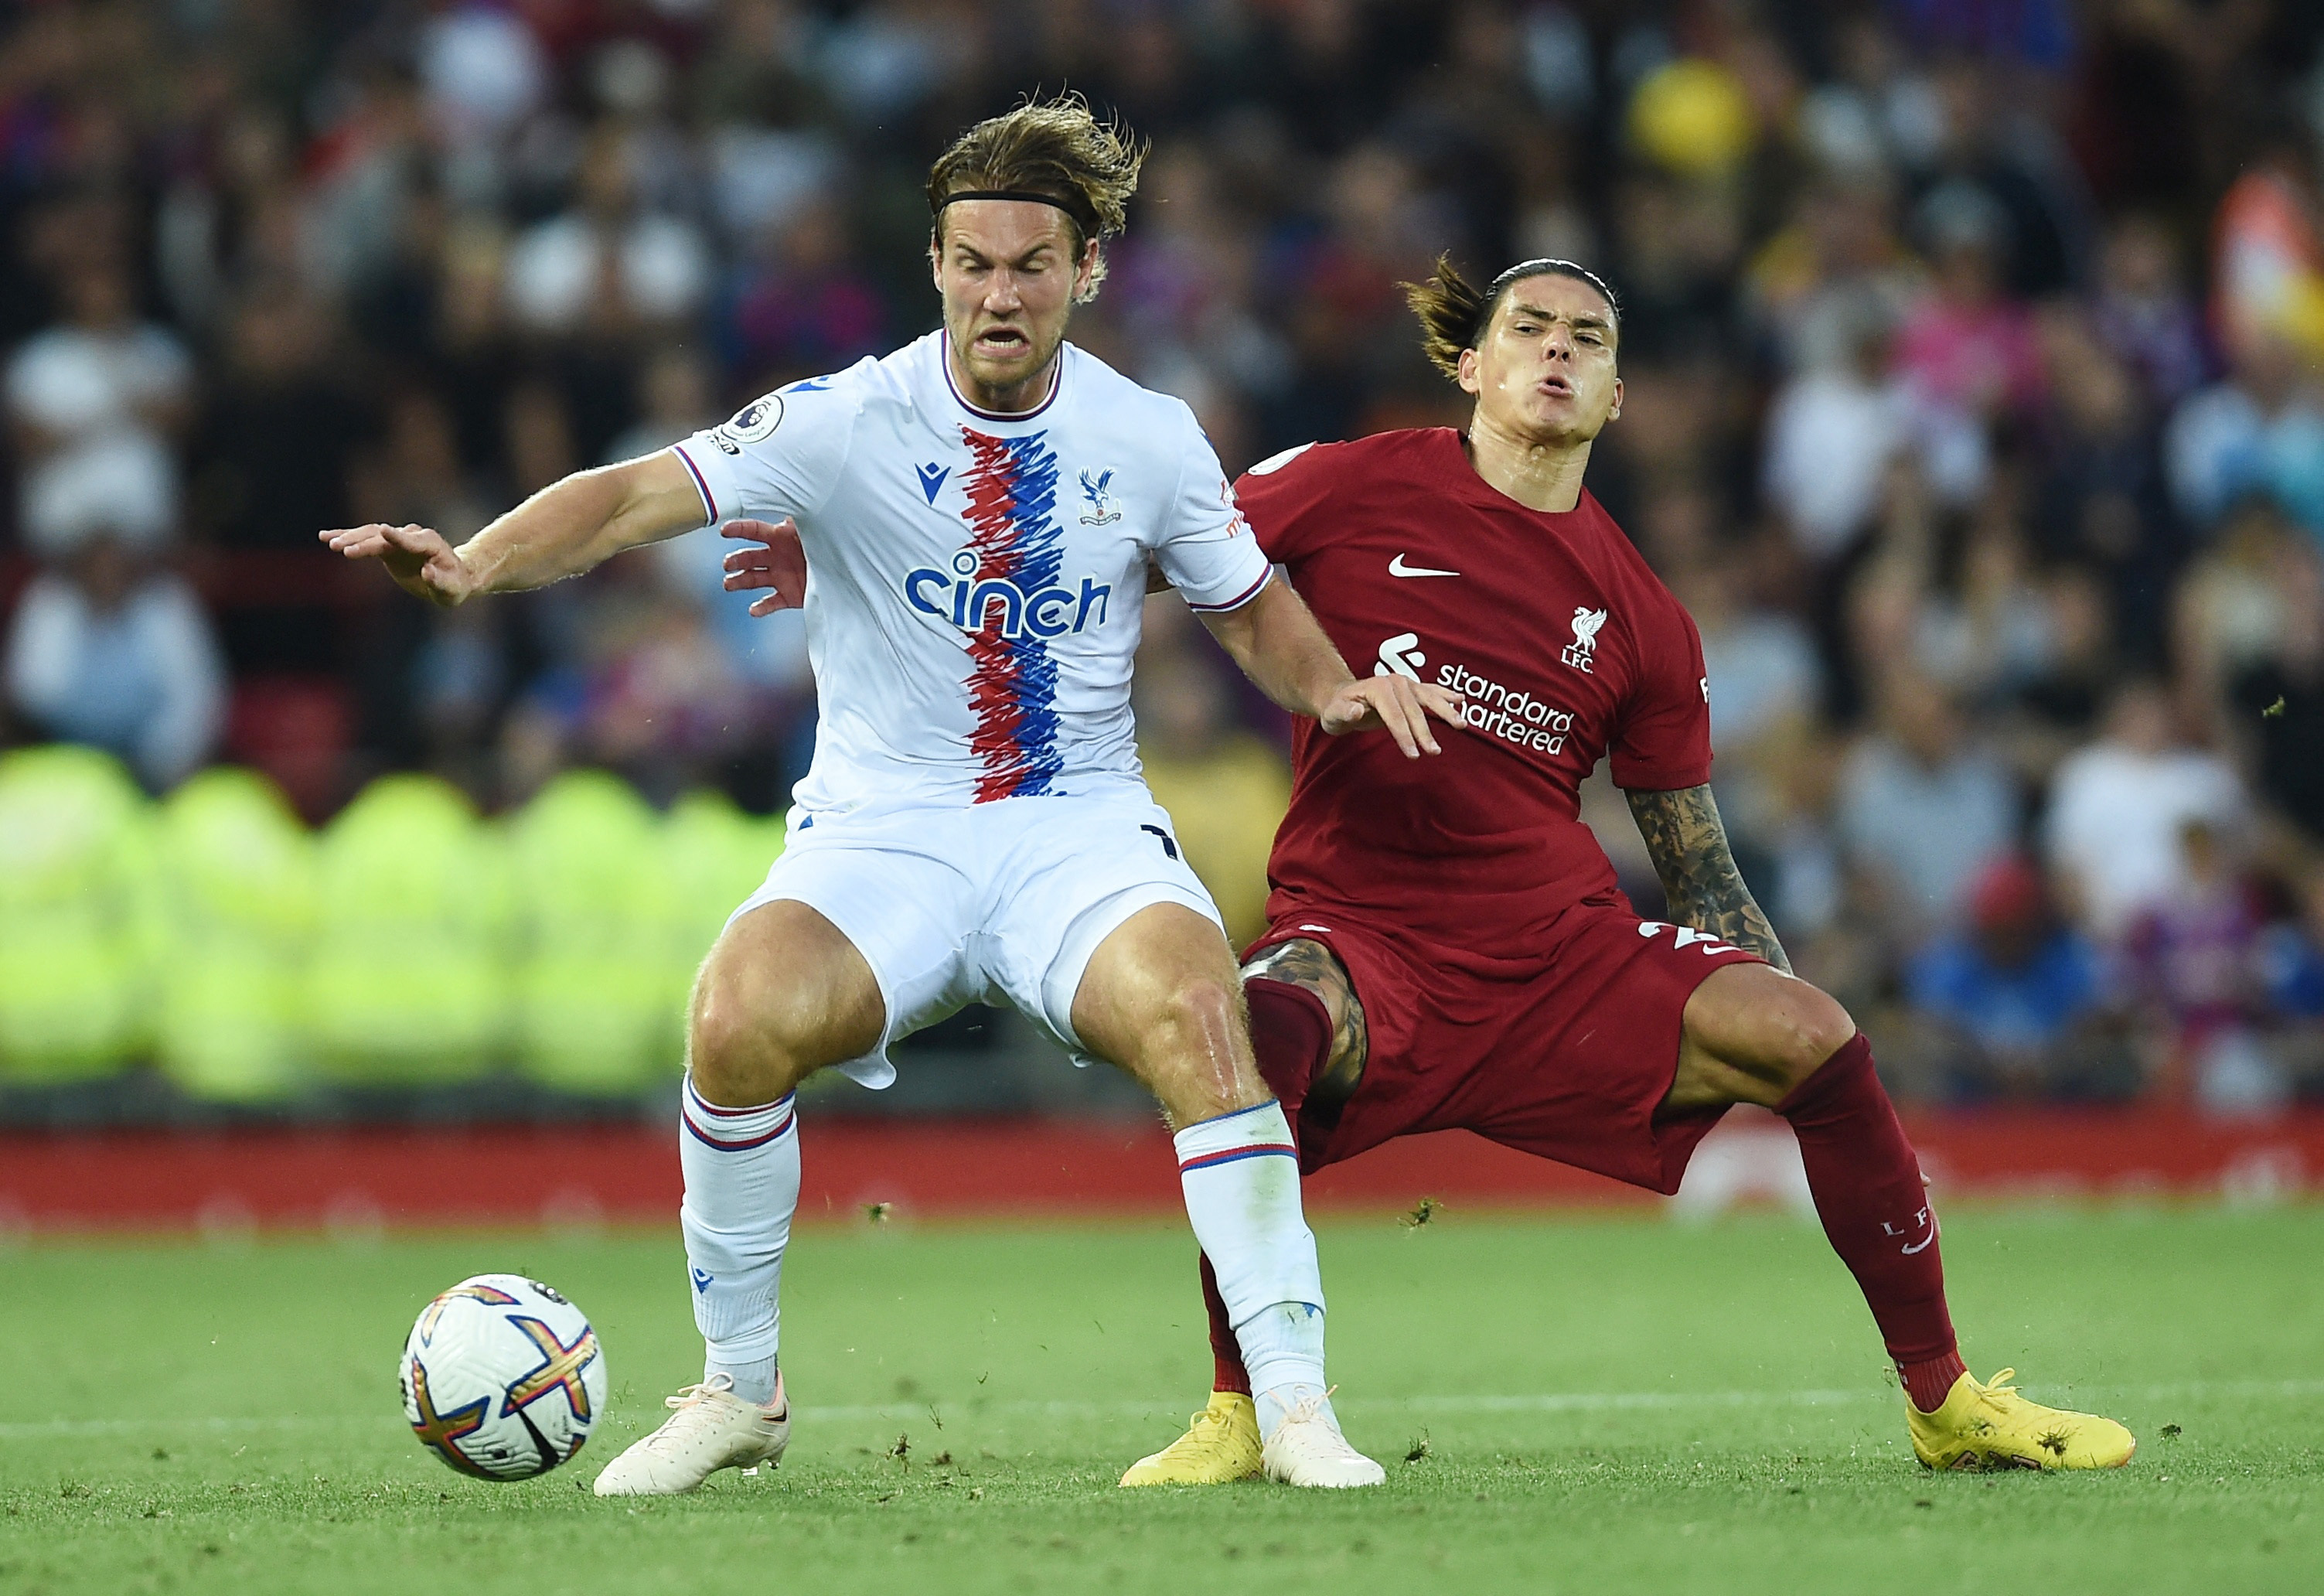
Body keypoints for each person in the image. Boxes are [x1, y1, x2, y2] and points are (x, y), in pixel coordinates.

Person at [739, 254, 2142, 1481]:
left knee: (1817, 1041)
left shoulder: (1639, 611)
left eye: (1587, 341)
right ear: (1470, 363)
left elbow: (1689, 850)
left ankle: (1944, 1402)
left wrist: (1753, 971)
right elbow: (1124, 544)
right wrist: (871, 555)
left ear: (1614, 398)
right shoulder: (1346, 484)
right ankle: (1243, 1413)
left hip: (1556, 960)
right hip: (1364, 937)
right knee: (1260, 1025)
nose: (1556, 351)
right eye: (1530, 327)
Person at [325, 96, 1463, 1495]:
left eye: (1030, 264)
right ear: (932, 265)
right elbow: (631, 498)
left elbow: (1248, 607)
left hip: (1078, 825)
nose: (1000, 292)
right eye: (973, 262)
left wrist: (1333, 687)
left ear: (1085, 272)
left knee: (1196, 1011)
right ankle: (739, 1393)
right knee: (735, 1018)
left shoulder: (1154, 435)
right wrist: (472, 567)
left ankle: (1293, 1408)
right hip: (884, 829)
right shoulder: (843, 419)